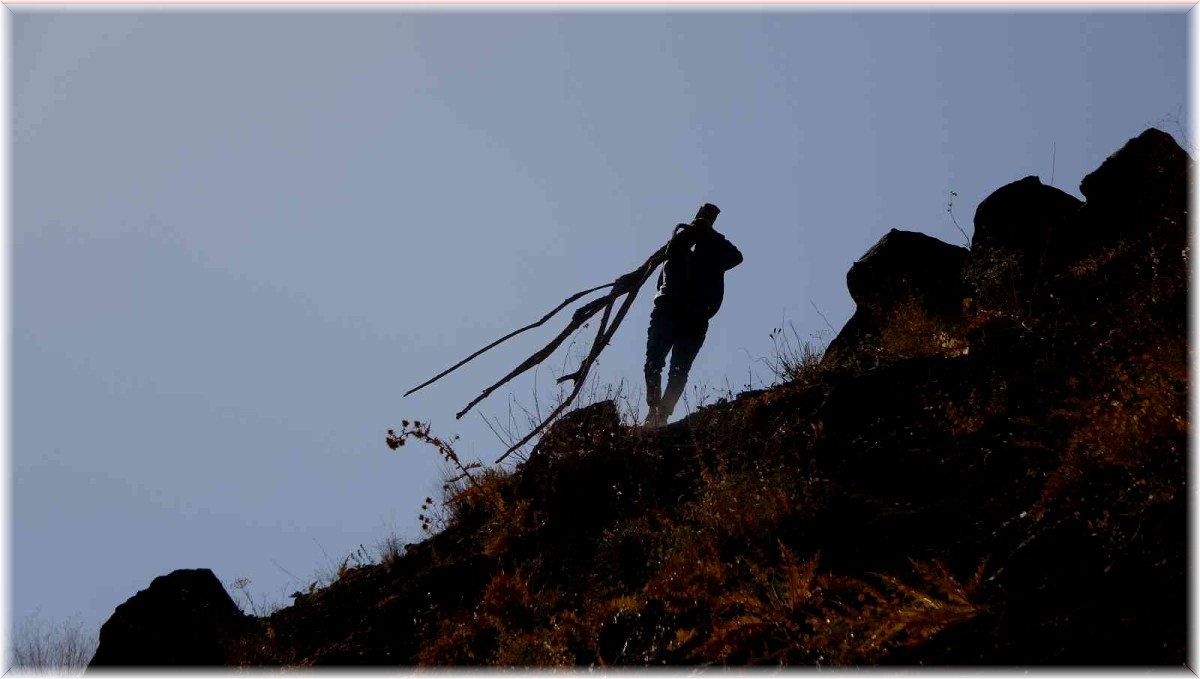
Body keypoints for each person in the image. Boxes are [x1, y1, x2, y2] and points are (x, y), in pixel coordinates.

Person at [644, 203, 743, 427]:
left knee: (677, 368)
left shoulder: (713, 257)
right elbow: (678, 244)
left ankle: (661, 414)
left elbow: (737, 256)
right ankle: (654, 408)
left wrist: (710, 234)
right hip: (670, 311)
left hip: (694, 317)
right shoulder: (678, 249)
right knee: (655, 362)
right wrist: (699, 231)